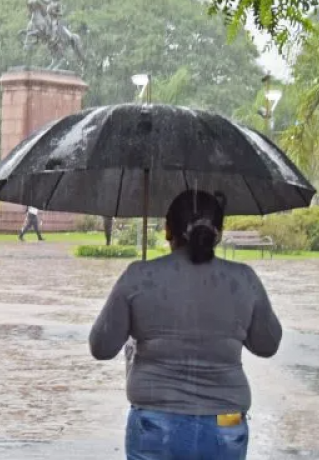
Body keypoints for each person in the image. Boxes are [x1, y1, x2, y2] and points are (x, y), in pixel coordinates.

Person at [89, 190, 282, 460]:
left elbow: (101, 346)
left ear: (168, 230)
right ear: (219, 233)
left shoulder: (139, 277)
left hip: (155, 422)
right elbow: (267, 344)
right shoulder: (244, 279)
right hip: (226, 422)